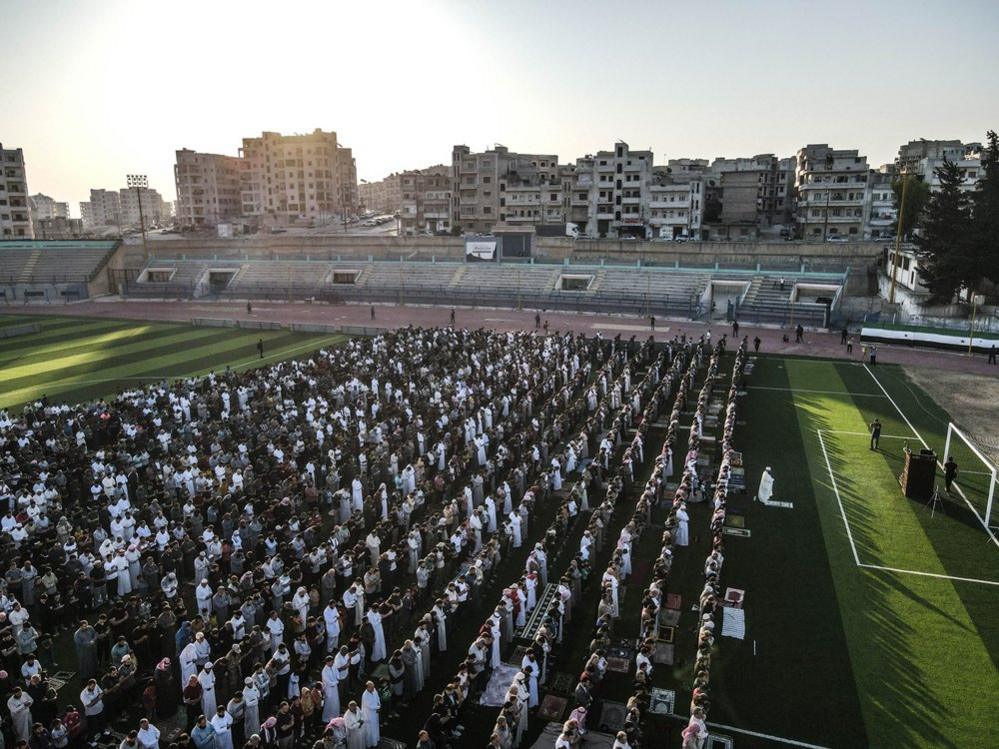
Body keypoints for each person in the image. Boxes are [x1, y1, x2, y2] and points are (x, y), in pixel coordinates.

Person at [360, 682, 380, 748]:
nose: (373, 688)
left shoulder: (374, 690)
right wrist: (378, 707)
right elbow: (370, 706)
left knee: (375, 726)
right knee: (370, 729)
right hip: (369, 715)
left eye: (373, 686)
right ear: (367, 687)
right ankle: (371, 743)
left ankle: (376, 739)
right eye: (371, 687)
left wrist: (379, 704)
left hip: (375, 713)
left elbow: (377, 698)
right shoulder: (365, 695)